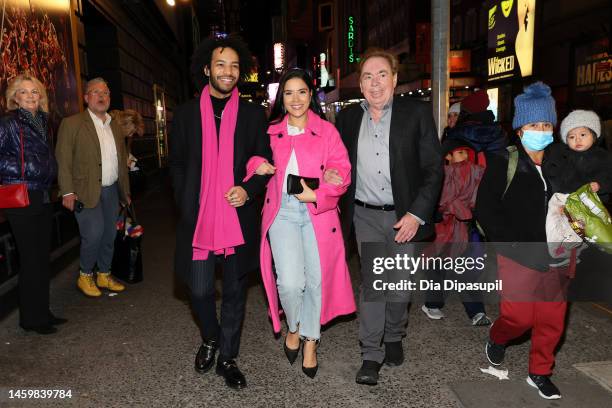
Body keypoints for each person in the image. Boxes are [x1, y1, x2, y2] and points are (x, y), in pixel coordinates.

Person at [168, 35, 272, 390]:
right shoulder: (184, 115)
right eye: (221, 65)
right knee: (198, 290)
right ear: (207, 69)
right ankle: (210, 337)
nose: (228, 72)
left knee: (233, 293)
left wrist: (248, 190)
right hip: (198, 219)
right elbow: (178, 163)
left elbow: (263, 161)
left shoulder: (253, 115)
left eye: (234, 66)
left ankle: (227, 357)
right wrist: (187, 201)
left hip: (237, 218)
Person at [335, 48, 443, 385]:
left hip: (403, 216)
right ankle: (370, 353)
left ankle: (394, 333)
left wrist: (416, 214)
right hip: (365, 215)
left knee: (400, 284)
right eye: (368, 76)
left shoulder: (416, 114)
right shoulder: (349, 119)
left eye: (382, 74)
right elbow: (336, 163)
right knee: (374, 283)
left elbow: (433, 170)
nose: (375, 82)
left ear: (395, 80)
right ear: (361, 84)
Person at [245, 68, 355, 379]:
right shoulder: (271, 131)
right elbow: (250, 158)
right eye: (289, 93)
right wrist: (259, 165)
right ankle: (293, 326)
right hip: (282, 213)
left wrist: (327, 186)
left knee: (316, 281)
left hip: (318, 214)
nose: (296, 99)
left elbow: (341, 170)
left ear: (311, 95)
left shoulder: (327, 131)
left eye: (302, 92)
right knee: (291, 283)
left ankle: (310, 341)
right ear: (282, 97)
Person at [475, 82, 566, 400]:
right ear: (519, 128)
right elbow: (485, 209)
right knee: (519, 317)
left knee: (552, 318)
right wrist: (509, 244)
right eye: (533, 124)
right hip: (518, 253)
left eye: (545, 124)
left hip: (560, 254)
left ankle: (540, 372)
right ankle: (498, 337)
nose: (540, 130)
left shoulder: (561, 162)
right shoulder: (504, 162)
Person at [0, 74, 66, 335]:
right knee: (30, 258)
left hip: (42, 193)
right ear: (15, 97)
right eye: (24, 92)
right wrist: (25, 167)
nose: (30, 96)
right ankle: (31, 319)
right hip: (21, 195)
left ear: (41, 96)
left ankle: (42, 312)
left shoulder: (44, 122)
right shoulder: (8, 123)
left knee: (41, 257)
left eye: (34, 92)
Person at [56, 77, 130, 297]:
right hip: (84, 191)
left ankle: (104, 274)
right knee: (94, 233)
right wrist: (67, 191)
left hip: (111, 189)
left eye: (105, 92)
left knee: (109, 234)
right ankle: (85, 275)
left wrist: (125, 192)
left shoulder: (114, 125)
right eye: (95, 92)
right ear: (86, 97)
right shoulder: (72, 124)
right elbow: (63, 159)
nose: (101, 96)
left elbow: (121, 159)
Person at [421, 139, 491, 326]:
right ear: (448, 156)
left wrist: (469, 211)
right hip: (441, 231)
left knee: (468, 270)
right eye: (460, 153)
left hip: (464, 230)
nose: (465, 157)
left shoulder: (475, 174)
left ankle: (477, 311)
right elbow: (433, 201)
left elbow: (480, 199)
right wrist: (449, 208)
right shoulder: (439, 175)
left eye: (467, 153)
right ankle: (432, 303)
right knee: (437, 270)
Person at [544, 110, 612, 199]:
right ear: (566, 140)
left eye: (583, 135)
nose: (577, 140)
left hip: (592, 203)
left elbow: (609, 178)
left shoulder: (603, 156)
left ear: (594, 136)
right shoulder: (559, 153)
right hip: (564, 200)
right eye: (572, 137)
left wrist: (600, 185)